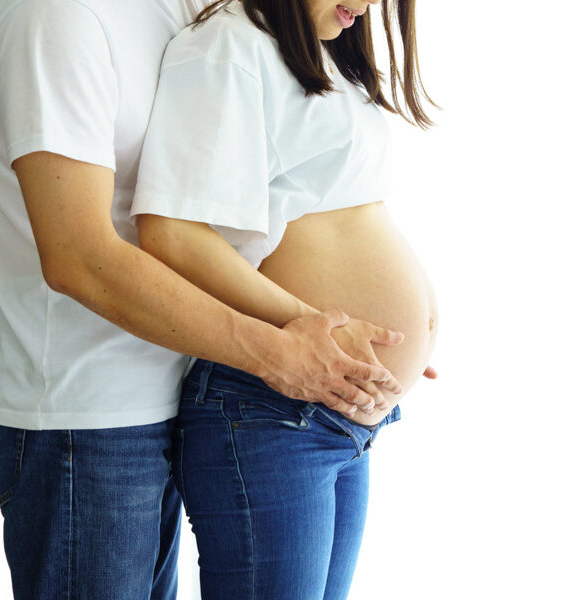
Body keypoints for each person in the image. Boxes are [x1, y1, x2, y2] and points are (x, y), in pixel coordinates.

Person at [0, 0, 424, 597]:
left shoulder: (194, 11)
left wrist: (360, 327)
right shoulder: (55, 17)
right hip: (80, 406)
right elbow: (79, 258)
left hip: (175, 373)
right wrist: (289, 344)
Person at [130, 0, 439, 597]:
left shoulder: (329, 58)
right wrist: (314, 323)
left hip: (342, 414)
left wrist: (416, 314)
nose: (370, 5)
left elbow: (347, 211)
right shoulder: (228, 48)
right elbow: (171, 233)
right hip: (271, 408)